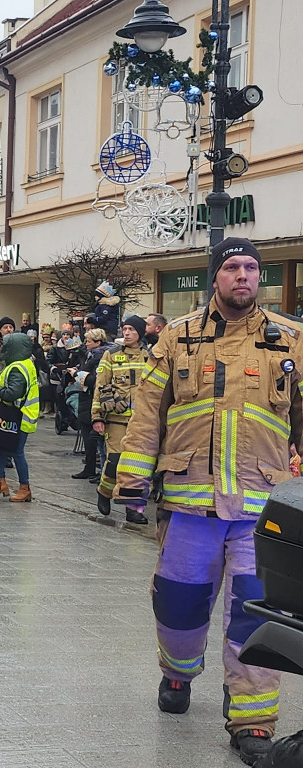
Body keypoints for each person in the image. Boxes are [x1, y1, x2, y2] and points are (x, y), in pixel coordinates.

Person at [115, 238, 302, 764]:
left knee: (254, 613)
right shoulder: (176, 338)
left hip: (261, 509)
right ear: (213, 277)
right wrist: (130, 481)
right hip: (188, 505)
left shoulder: (293, 341)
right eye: (231, 267)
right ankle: (178, 673)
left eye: (250, 268)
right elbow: (147, 415)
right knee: (179, 605)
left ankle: (253, 721)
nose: (242, 275)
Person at [92, 315, 151, 525]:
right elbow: (100, 387)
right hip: (116, 420)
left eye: (131, 330)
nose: (126, 333)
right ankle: (104, 491)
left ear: (140, 333)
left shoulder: (150, 356)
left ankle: (133, 508)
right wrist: (96, 417)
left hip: (142, 423)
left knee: (137, 468)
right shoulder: (111, 354)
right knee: (114, 462)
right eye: (124, 329)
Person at [0, 331, 38, 502]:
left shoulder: (17, 368)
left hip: (17, 416)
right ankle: (0, 482)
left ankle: (24, 487)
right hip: (16, 415)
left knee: (16, 452)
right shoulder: (25, 364)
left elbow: (12, 393)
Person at [70, 328, 108, 482]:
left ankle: (97, 470)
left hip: (92, 400)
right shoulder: (89, 355)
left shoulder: (100, 358)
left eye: (89, 341)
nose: (86, 344)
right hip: (86, 399)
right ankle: (90, 468)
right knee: (89, 437)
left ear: (98, 342)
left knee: (95, 438)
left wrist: (76, 375)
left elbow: (95, 380)